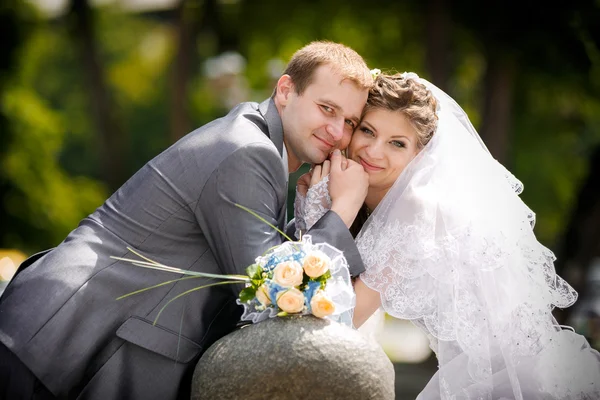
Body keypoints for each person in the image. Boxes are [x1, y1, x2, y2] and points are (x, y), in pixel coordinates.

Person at [0, 41, 372, 400]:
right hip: (59, 341)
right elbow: (270, 293)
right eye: (327, 108)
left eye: (350, 121)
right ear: (286, 91)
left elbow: (263, 262)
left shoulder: (260, 147)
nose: (338, 132)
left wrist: (310, 213)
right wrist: (343, 208)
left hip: (70, 344)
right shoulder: (249, 152)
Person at [296, 71, 600, 399]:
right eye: (367, 131)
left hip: (511, 382)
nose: (373, 151)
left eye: (397, 143)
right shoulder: (379, 199)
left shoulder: (413, 208)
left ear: (420, 156)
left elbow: (345, 317)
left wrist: (322, 210)